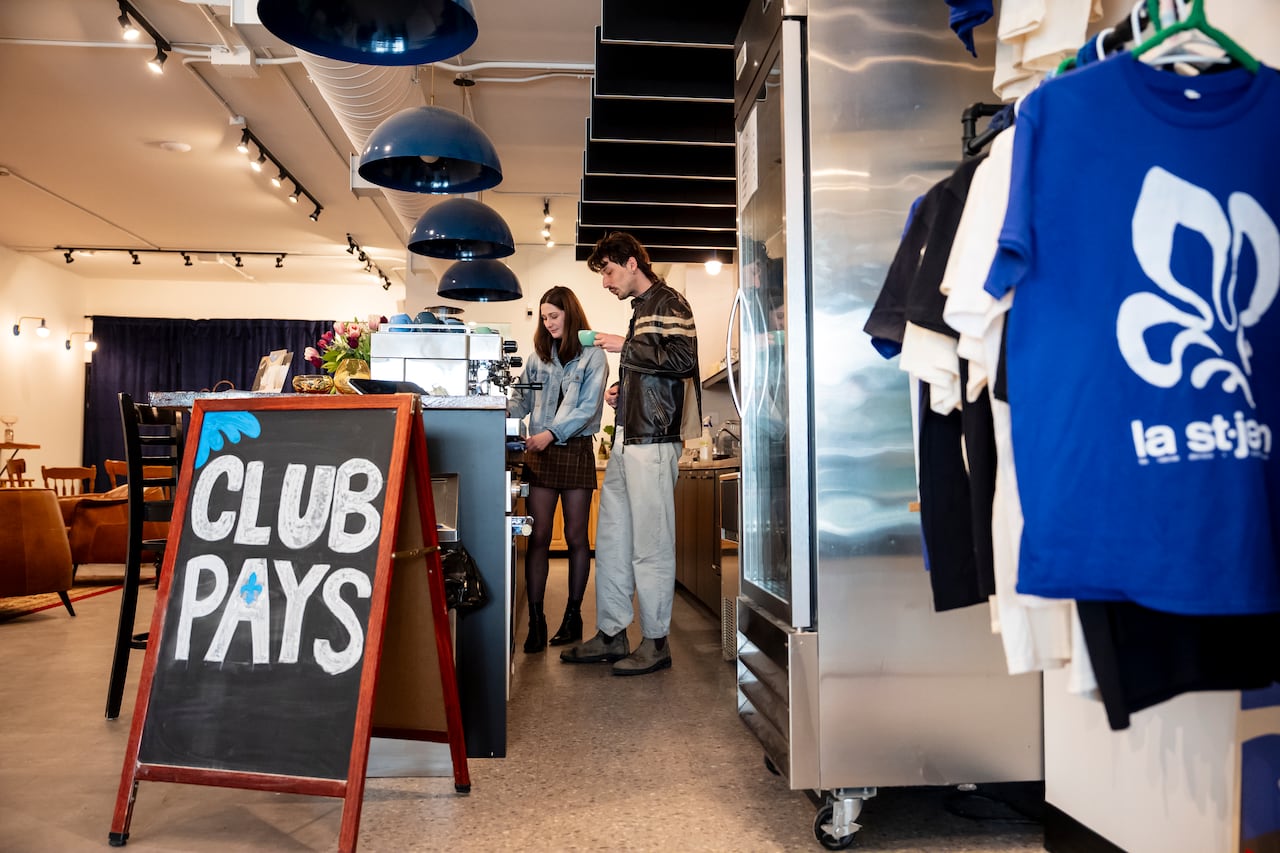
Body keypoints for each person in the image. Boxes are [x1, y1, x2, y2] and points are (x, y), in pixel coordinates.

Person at [560, 232, 701, 676]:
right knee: (613, 540)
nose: (605, 282)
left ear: (632, 263)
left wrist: (626, 346)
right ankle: (612, 632)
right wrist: (626, 389)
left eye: (608, 271)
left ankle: (656, 642)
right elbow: (658, 371)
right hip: (628, 436)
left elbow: (685, 361)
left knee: (651, 545)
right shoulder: (643, 308)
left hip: (654, 441)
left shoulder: (669, 302)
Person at [508, 286, 610, 653]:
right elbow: (520, 398)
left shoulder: (593, 356)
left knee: (577, 538)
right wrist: (500, 414)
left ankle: (573, 616)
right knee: (538, 537)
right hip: (541, 454)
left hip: (575, 449)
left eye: (554, 315)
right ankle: (536, 622)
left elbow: (588, 408)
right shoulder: (537, 357)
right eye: (544, 317)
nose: (549, 323)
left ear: (570, 313)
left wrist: (550, 434)